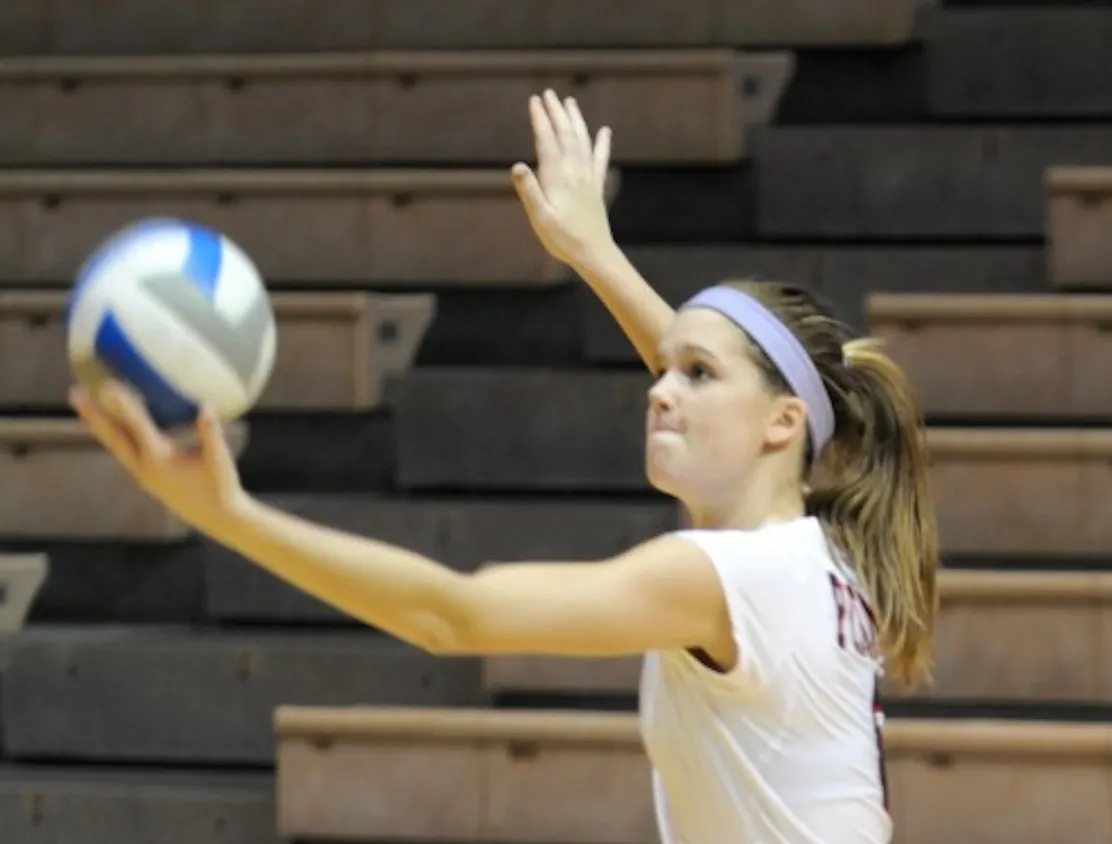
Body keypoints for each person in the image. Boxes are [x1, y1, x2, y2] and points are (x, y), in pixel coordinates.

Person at [70, 90, 940, 844]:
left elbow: (454, 615)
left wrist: (228, 516)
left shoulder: (726, 577)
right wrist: (595, 254)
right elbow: (741, 377)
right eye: (664, 368)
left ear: (783, 425)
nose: (659, 390)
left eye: (695, 376)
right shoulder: (813, 551)